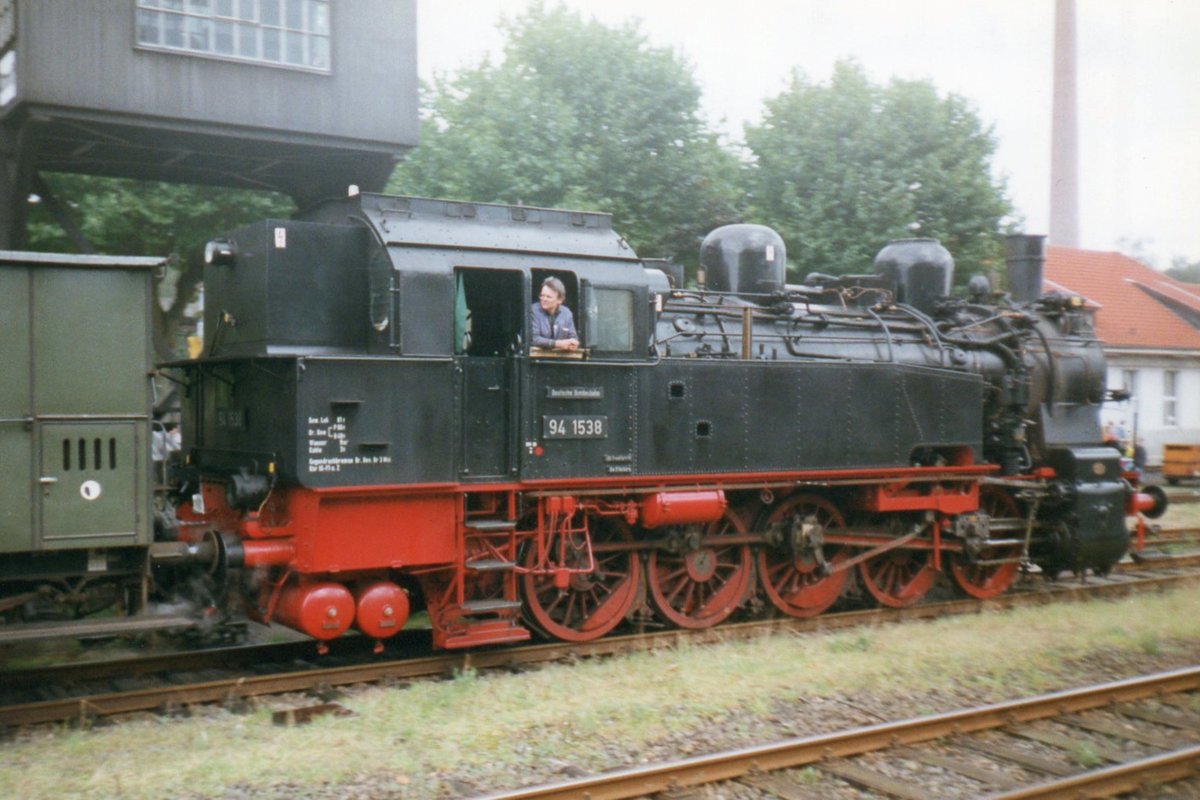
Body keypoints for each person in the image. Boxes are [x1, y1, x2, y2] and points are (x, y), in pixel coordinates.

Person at [530, 276, 580, 351]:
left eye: (548, 297)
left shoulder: (567, 313)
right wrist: (558, 344)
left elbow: (573, 337)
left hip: (561, 359)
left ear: (560, 300)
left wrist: (573, 344)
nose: (544, 299)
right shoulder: (533, 310)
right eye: (542, 295)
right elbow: (534, 339)